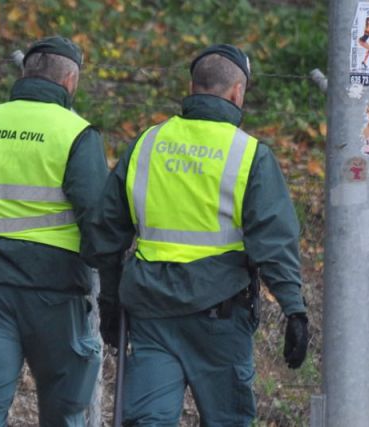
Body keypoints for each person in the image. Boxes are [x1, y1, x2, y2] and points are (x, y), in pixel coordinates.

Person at [84, 44, 309, 426]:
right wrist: (294, 309)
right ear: (238, 92)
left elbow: (105, 234)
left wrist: (108, 300)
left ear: (192, 86)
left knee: (148, 421)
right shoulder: (249, 155)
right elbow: (273, 240)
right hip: (219, 319)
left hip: (151, 314)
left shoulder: (147, 144)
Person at [0, 36, 108, 426]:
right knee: (64, 409)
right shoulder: (76, 133)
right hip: (54, 291)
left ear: (25, 73)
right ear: (70, 81)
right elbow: (96, 217)